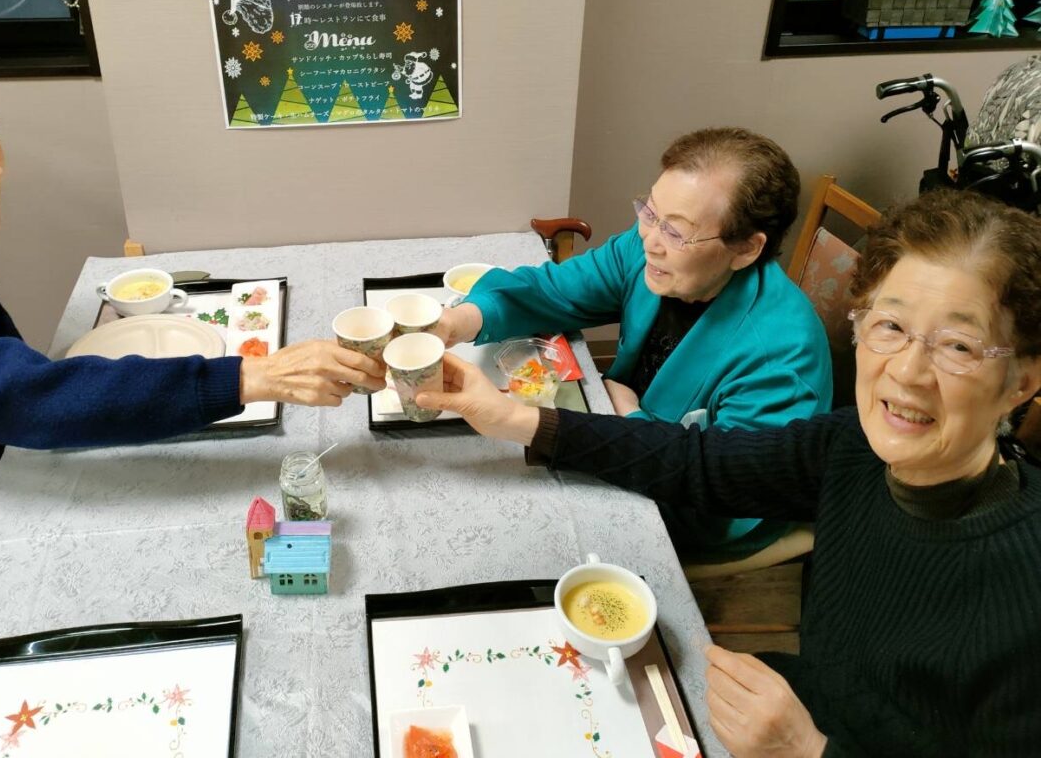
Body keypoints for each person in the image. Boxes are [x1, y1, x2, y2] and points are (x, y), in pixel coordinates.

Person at [419, 189, 1041, 757]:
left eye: (958, 347)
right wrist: (514, 419)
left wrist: (807, 750)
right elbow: (697, 462)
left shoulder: (1024, 597)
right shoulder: (853, 445)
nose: (906, 371)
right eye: (890, 326)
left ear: (1023, 380)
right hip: (792, 705)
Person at [0, 68, 384, 614]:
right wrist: (254, 377)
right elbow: (27, 399)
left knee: (174, 484)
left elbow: (10, 380)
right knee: (171, 562)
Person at [434, 127, 830, 557]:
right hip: (614, 429)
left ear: (746, 249)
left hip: (693, 512)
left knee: (505, 534)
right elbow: (556, 290)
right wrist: (456, 322)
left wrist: (631, 413)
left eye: (676, 232)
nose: (650, 241)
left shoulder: (781, 359)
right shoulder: (653, 251)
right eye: (649, 212)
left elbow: (719, 505)